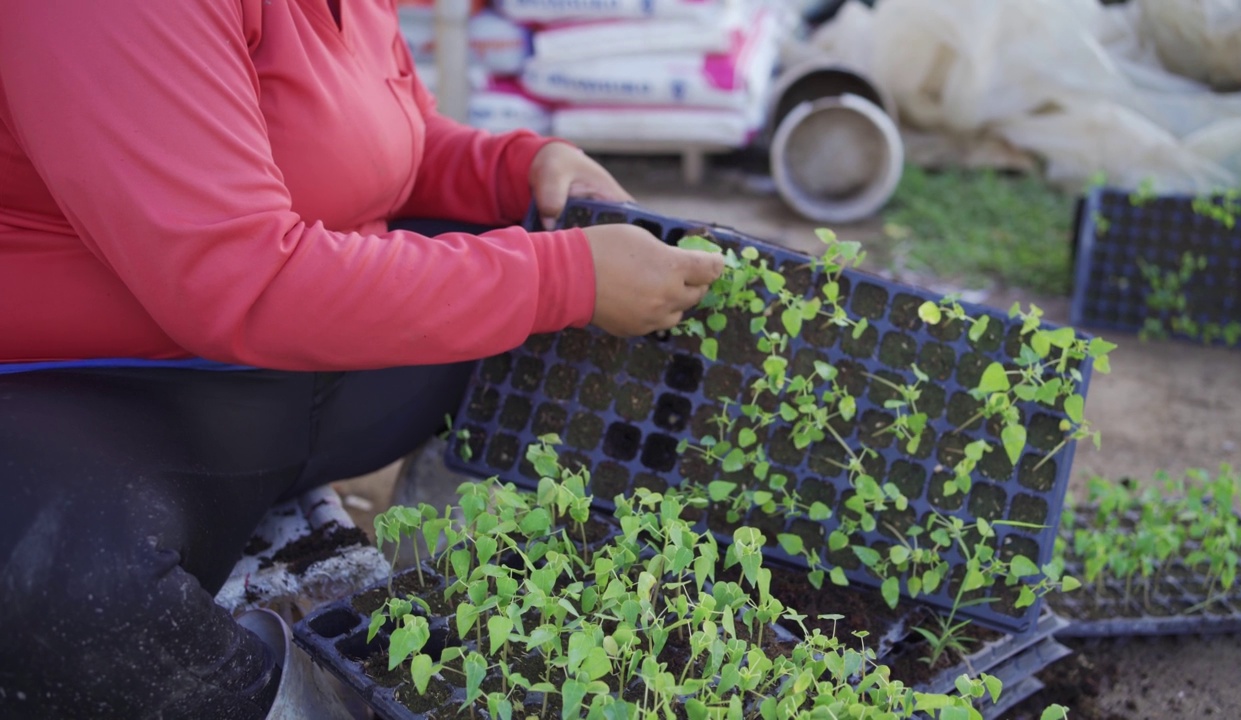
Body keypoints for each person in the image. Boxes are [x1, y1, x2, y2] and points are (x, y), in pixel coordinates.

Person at [0, 1, 724, 718]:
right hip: (106, 394)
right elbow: (244, 283)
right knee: (57, 582)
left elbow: (379, 150)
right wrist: (564, 277)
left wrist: (520, 167)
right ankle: (291, 695)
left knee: (598, 301)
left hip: (307, 370)